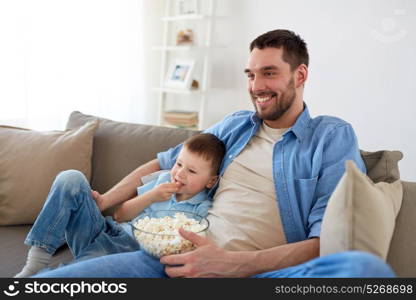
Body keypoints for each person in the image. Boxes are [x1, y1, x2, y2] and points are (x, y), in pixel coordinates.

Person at [32, 29, 395, 278]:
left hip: (264, 272)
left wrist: (232, 265)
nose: (256, 87)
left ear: (299, 75)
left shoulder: (330, 136)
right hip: (172, 259)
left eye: (268, 73)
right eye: (250, 75)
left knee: (365, 271)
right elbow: (162, 162)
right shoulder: (236, 125)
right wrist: (104, 202)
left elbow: (323, 243)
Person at [15, 133, 225, 277]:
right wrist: (151, 196)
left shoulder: (202, 211)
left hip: (126, 252)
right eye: (179, 164)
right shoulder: (161, 181)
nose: (179, 173)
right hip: (107, 231)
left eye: (192, 171)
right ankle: (36, 262)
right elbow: (119, 215)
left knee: (74, 274)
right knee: (70, 178)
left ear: (211, 181)